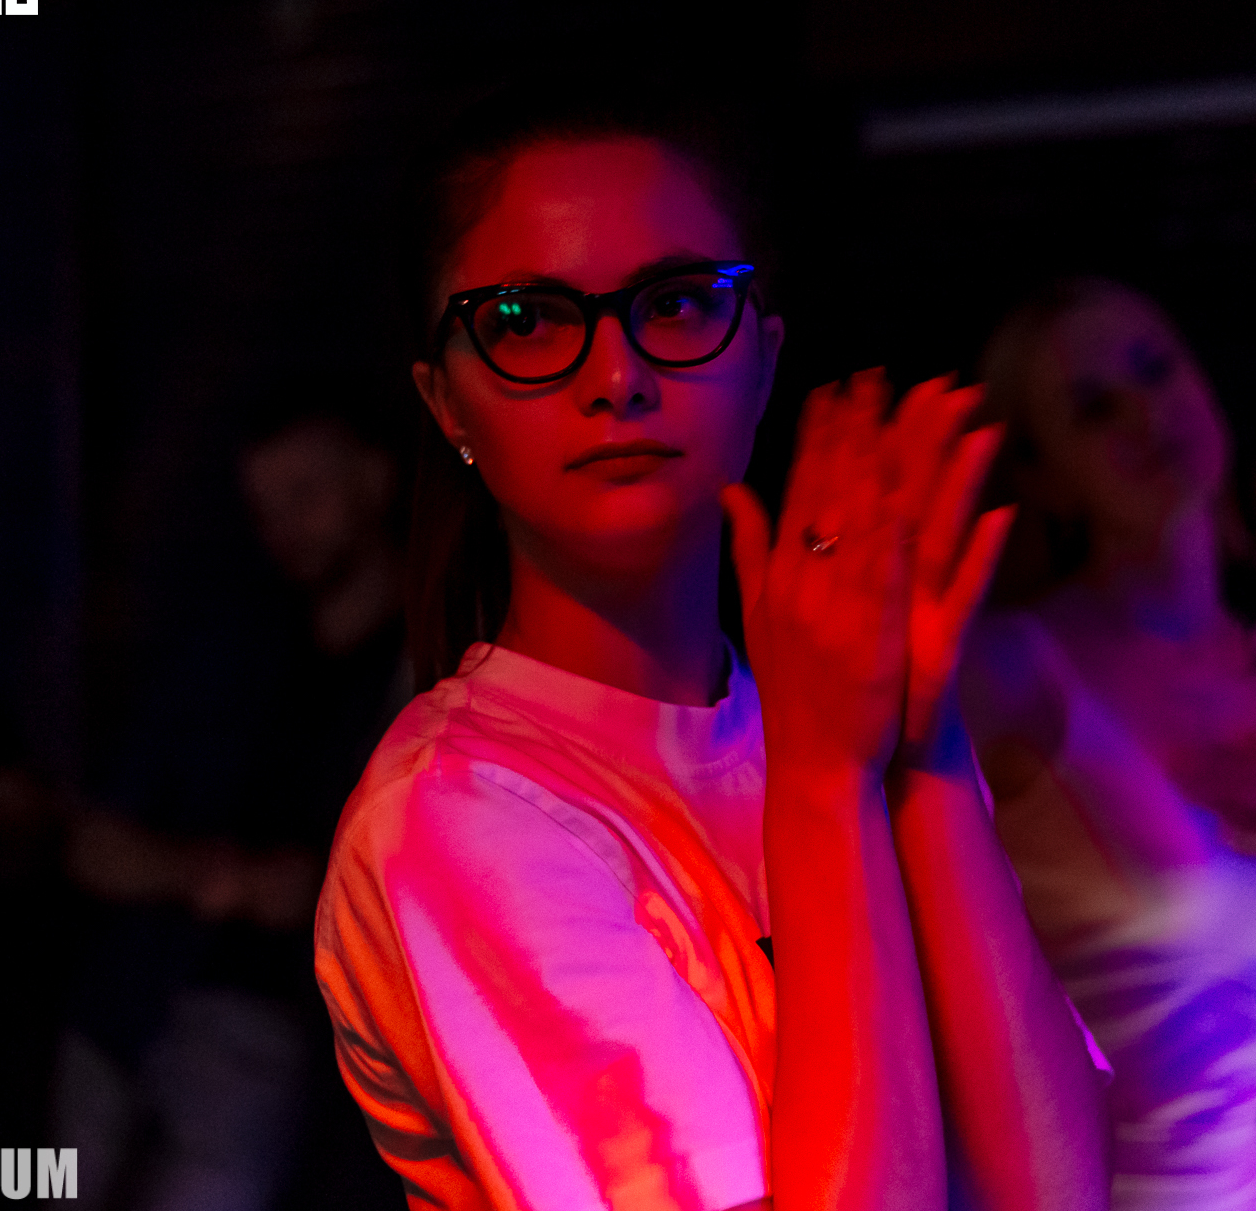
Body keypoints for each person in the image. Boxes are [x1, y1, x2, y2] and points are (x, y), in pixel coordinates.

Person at [312, 88, 1110, 1211]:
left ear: (764, 359)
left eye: (679, 304)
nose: (618, 376)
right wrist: (824, 782)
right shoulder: (461, 813)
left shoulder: (818, 704)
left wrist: (921, 744)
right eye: (529, 321)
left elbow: (1055, 1188)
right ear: (447, 403)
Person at [958, 278, 1256, 1211]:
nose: (1146, 415)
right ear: (1044, 476)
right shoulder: (1009, 671)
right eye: (1094, 407)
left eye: (1156, 370)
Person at [54, 398, 408, 1211]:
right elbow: (94, 844)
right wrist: (223, 879)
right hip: (128, 1006)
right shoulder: (224, 658)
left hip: (280, 1040)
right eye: (266, 507)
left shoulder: (440, 671)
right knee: (28, 1180)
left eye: (306, 494)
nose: (283, 527)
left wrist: (311, 891)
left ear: (374, 479)